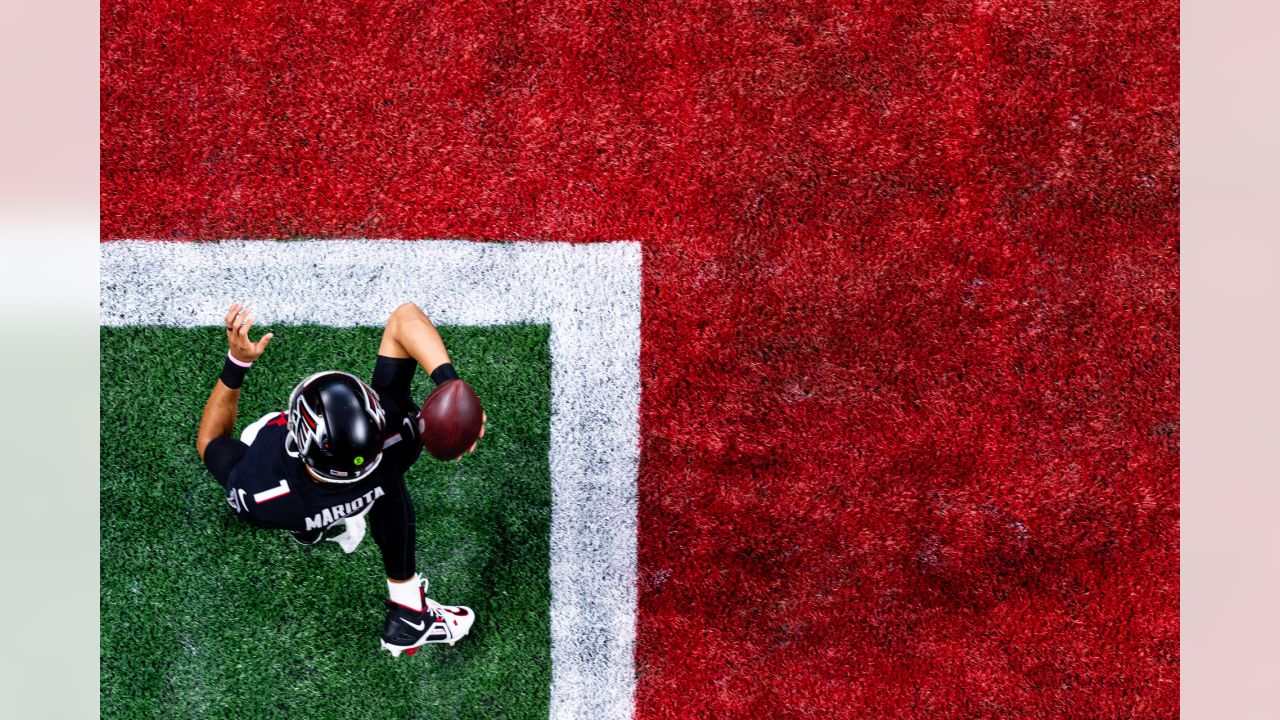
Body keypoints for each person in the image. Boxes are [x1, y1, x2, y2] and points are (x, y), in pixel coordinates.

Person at [195, 301, 485, 657]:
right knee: (385, 483)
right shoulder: (400, 439)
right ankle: (408, 610)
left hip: (293, 503)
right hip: (374, 480)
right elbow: (404, 318)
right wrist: (451, 389)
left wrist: (237, 363)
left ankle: (309, 526)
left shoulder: (258, 492)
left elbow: (210, 441)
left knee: (257, 432)